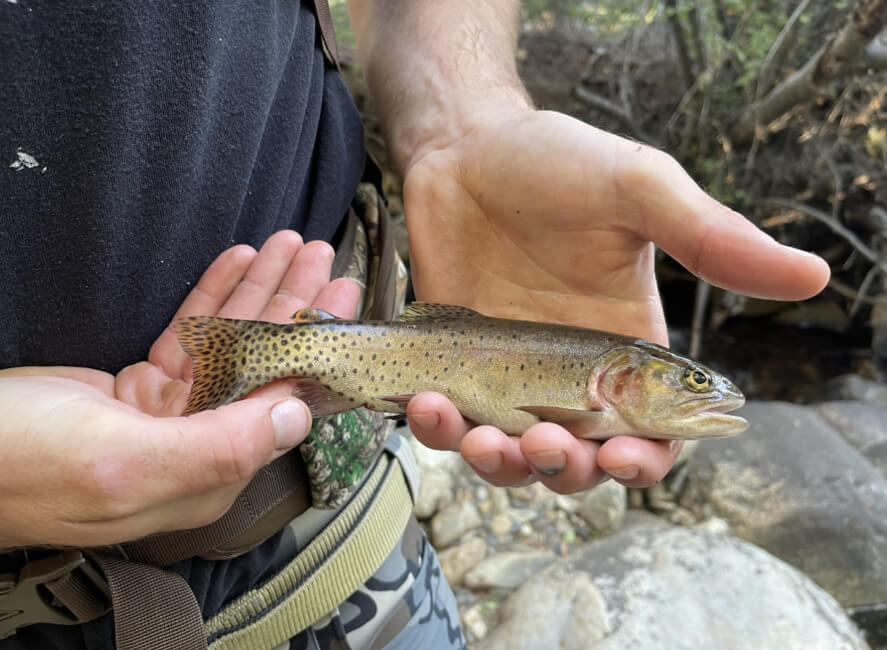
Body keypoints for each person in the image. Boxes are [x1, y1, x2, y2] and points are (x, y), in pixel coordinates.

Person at [0, 1, 829, 648]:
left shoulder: (595, 394)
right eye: (689, 383)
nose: (703, 393)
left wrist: (464, 118)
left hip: (333, 529)